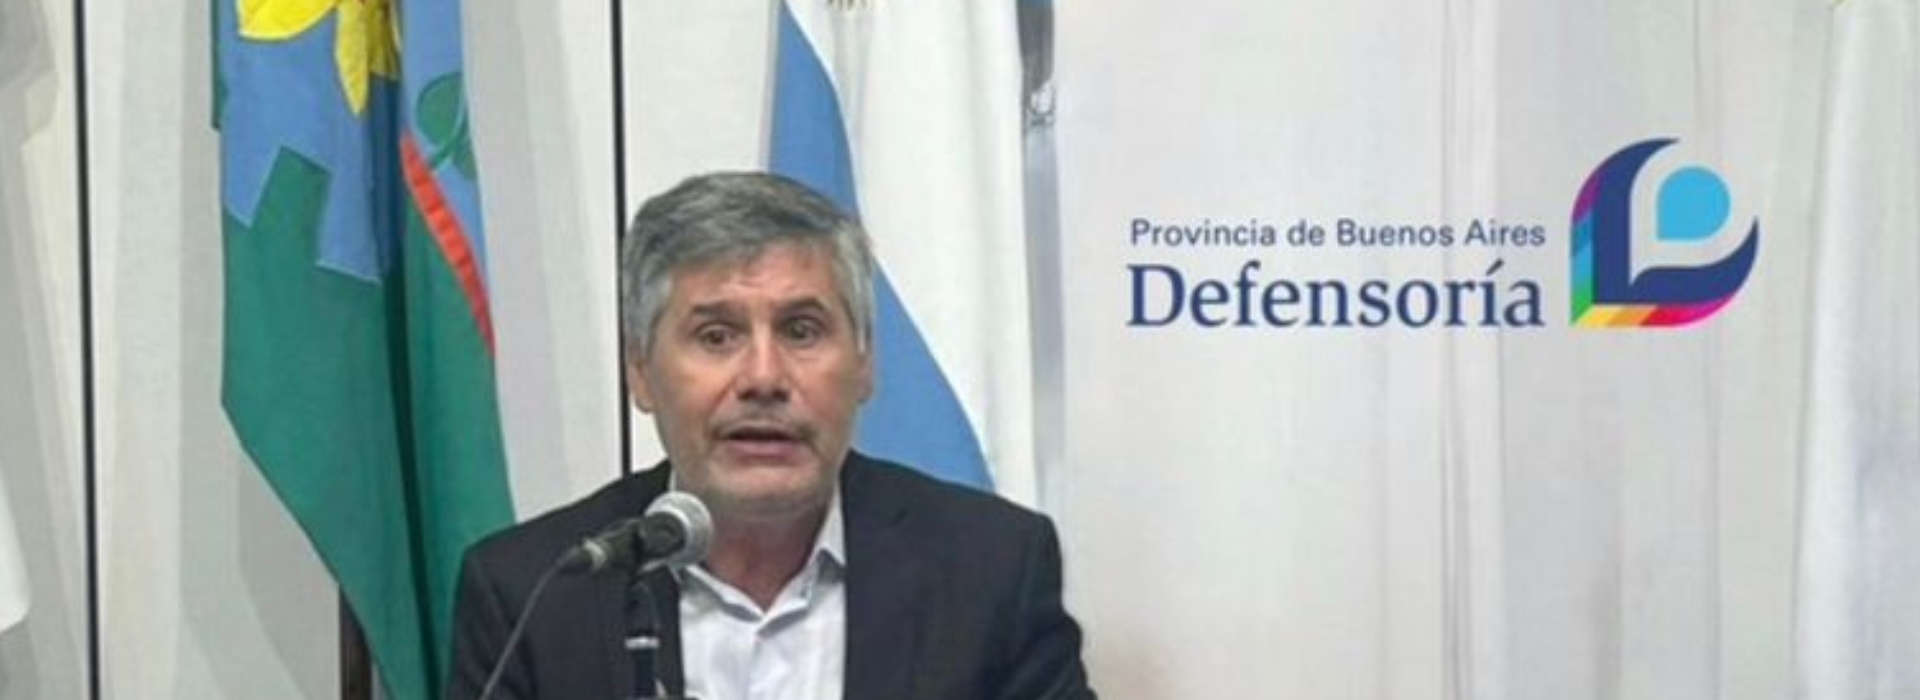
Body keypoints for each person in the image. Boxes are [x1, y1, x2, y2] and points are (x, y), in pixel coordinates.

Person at [446, 172, 1095, 700]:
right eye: (716, 336)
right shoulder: (533, 592)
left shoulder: (991, 571)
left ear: (865, 362)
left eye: (802, 331)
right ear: (640, 371)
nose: (763, 377)